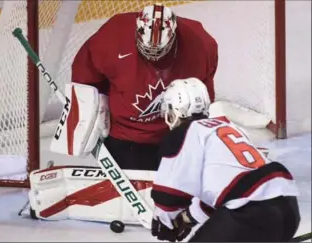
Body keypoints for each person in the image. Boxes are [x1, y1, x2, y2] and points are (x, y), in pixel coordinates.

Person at [150, 78, 300, 242]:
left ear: (176, 109)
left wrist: (165, 222)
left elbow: (169, 193)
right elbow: (221, 193)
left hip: (250, 213)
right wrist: (187, 219)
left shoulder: (184, 133)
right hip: (288, 208)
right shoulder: (227, 126)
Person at [71, 3, 218, 171]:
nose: (153, 56)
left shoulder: (200, 43)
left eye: (160, 50)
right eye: (148, 49)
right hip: (125, 136)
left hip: (174, 135)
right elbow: (85, 74)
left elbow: (204, 92)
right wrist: (92, 106)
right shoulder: (112, 36)